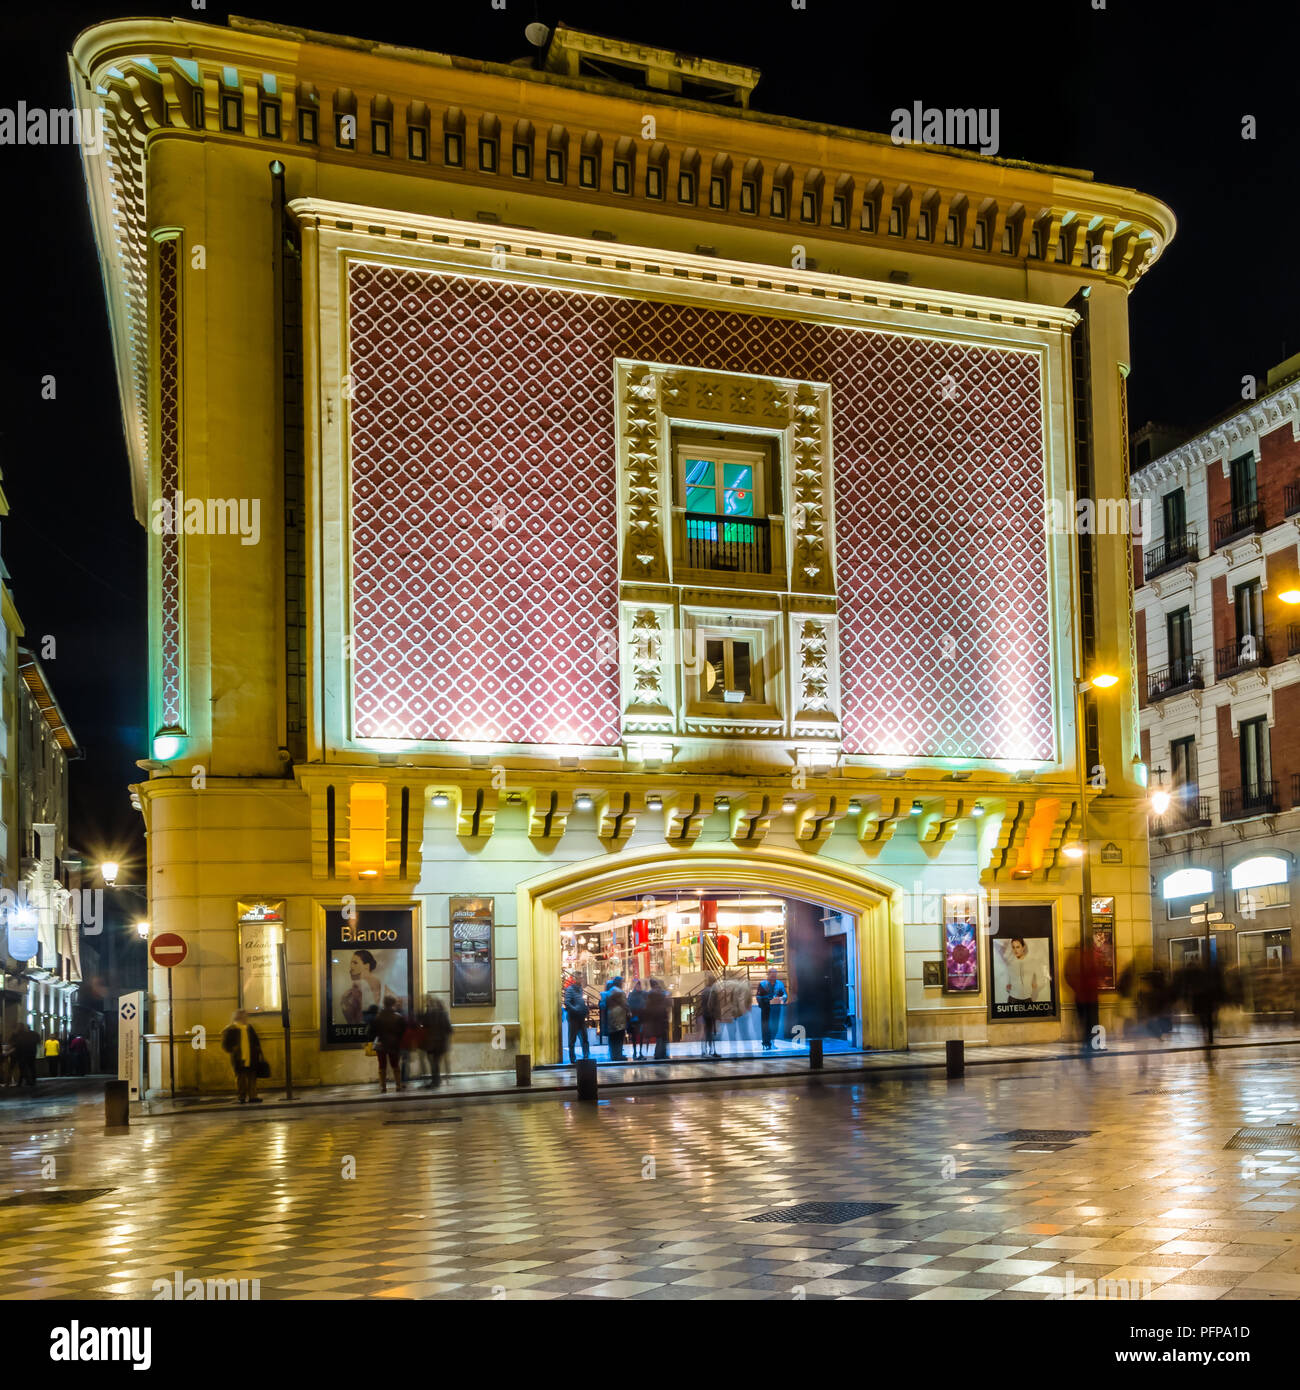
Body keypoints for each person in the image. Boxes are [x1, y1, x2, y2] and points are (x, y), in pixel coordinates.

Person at [1065, 942, 1103, 1052]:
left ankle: (1086, 1043)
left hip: (1080, 997)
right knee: (1093, 1022)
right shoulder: (1091, 957)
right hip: (1090, 997)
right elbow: (1098, 973)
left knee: (1083, 1022)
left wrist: (1076, 988)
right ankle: (1093, 1045)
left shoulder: (1073, 958)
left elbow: (1067, 975)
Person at [220, 1009, 264, 1103]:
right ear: (238, 1017)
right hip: (239, 1058)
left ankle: (253, 1096)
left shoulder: (249, 1027)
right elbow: (225, 1044)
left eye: (246, 1016)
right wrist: (233, 1049)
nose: (246, 1017)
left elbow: (256, 1041)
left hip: (251, 1057)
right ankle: (242, 1096)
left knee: (252, 1077)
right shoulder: (231, 1029)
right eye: (243, 1016)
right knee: (241, 1078)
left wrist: (258, 1051)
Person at [368, 994, 407, 1092]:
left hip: (381, 1044)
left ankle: (383, 1087)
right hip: (394, 1044)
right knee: (395, 1065)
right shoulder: (398, 1018)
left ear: (384, 1003)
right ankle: (398, 1085)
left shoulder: (378, 1017)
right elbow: (403, 1032)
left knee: (382, 1066)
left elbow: (372, 1032)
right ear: (393, 1004)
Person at [419, 995, 453, 1087]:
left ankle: (436, 1080)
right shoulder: (444, 1014)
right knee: (436, 1062)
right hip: (441, 1043)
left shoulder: (428, 1014)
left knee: (433, 1062)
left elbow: (422, 1023)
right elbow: (449, 1029)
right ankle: (437, 1080)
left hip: (430, 1043)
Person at [756, 968, 787, 1050]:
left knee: (775, 1026)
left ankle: (772, 1042)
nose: (774, 976)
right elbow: (758, 997)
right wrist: (767, 1000)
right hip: (766, 1008)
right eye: (772, 975)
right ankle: (766, 1043)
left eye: (775, 975)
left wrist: (782, 998)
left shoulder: (780, 984)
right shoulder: (762, 984)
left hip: (776, 1008)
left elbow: (785, 994)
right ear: (768, 974)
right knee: (765, 1026)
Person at [563, 977, 590, 1062]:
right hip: (573, 1017)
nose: (581, 980)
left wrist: (584, 1008)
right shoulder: (570, 989)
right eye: (580, 978)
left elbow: (580, 1001)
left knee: (584, 1038)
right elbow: (567, 1002)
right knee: (572, 1038)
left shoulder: (580, 989)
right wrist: (575, 1009)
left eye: (581, 978)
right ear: (575, 980)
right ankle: (572, 1058)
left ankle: (586, 1056)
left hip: (580, 1017)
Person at [644, 978, 670, 1060]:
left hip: (654, 1019)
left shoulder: (649, 995)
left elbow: (647, 1007)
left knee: (660, 1037)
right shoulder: (661, 993)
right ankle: (661, 1054)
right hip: (661, 1017)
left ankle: (658, 1053)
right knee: (663, 1037)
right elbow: (667, 1003)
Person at [604, 977, 628, 1061]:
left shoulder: (609, 992)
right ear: (619, 983)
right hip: (619, 1016)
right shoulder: (620, 992)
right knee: (619, 1036)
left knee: (613, 1037)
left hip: (611, 1015)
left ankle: (613, 1055)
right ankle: (619, 1055)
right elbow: (625, 1004)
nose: (623, 983)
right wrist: (629, 1012)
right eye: (622, 982)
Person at [10, 1024, 39, 1089]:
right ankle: (30, 1081)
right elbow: (37, 1041)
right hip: (31, 1053)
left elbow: (15, 1042)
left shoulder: (21, 1035)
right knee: (30, 1067)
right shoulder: (34, 1034)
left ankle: (25, 1081)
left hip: (24, 1054)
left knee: (23, 1068)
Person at [698, 976, 720, 1058]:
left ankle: (705, 1050)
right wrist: (716, 1014)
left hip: (705, 1013)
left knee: (707, 1032)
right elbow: (713, 1004)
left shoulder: (704, 991)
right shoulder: (712, 991)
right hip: (710, 1014)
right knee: (709, 1033)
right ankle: (711, 1050)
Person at [627, 979, 648, 1060]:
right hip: (635, 1018)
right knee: (635, 1036)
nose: (638, 986)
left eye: (639, 985)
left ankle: (639, 1052)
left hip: (640, 1018)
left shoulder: (642, 994)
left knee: (641, 1035)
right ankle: (636, 1052)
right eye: (637, 985)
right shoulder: (632, 994)